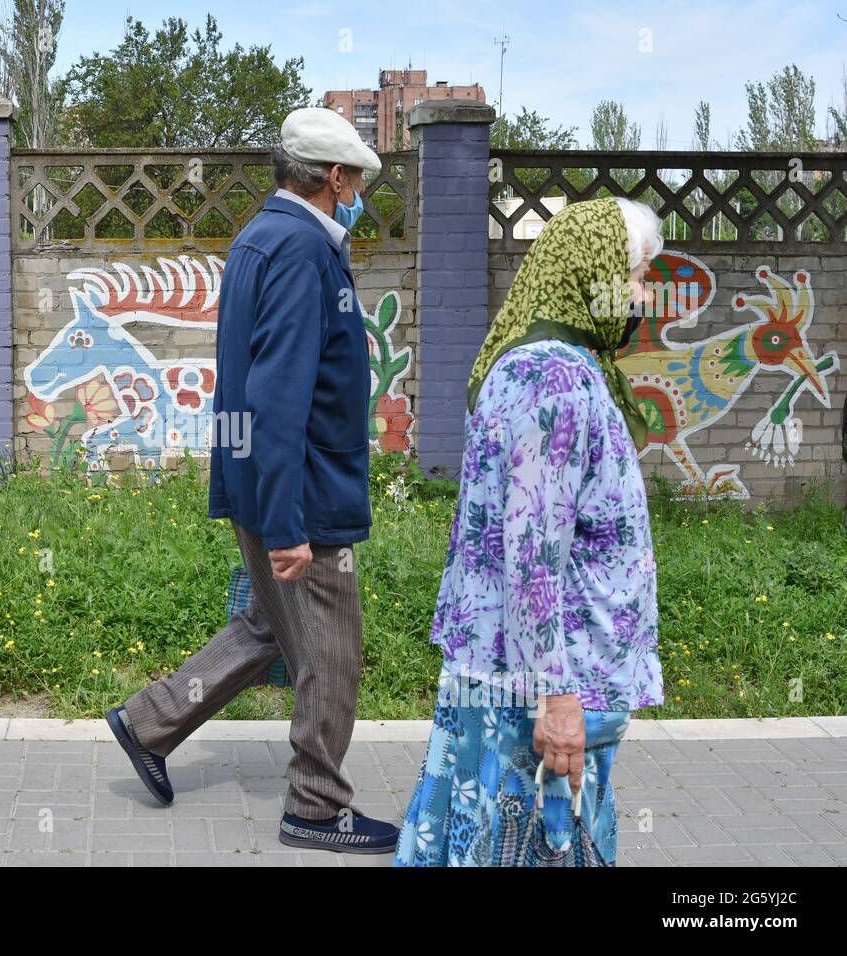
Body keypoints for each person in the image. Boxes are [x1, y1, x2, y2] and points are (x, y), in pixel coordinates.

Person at [107, 107, 400, 854]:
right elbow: (276, 394)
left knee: (270, 627)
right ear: (334, 177)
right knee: (332, 651)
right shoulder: (302, 249)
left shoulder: (258, 239)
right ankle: (315, 804)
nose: (361, 189)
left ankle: (149, 723)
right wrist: (287, 522)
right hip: (302, 493)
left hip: (260, 480)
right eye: (357, 176)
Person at [394, 196, 666, 867]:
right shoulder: (556, 378)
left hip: (503, 667)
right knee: (530, 843)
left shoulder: (524, 362)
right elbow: (534, 556)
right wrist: (559, 700)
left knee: (475, 832)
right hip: (551, 680)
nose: (643, 295)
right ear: (591, 273)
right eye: (635, 275)